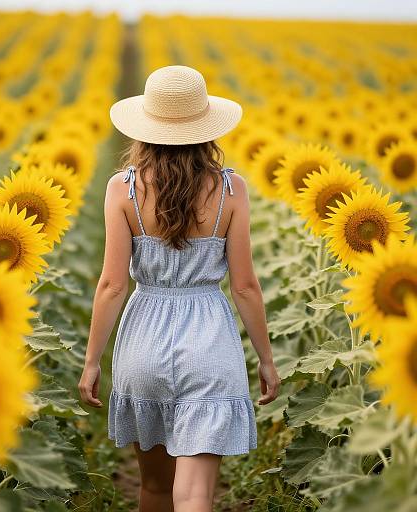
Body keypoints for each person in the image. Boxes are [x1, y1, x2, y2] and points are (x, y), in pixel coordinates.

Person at [78, 65, 280, 512]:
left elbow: (112, 284)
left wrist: (92, 362)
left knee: (154, 490)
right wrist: (266, 360)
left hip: (143, 341)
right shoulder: (231, 190)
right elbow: (245, 286)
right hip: (209, 341)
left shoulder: (122, 189)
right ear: (206, 126)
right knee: (194, 496)